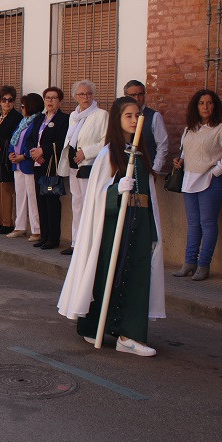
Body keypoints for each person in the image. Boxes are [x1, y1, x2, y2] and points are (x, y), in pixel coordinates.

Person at [58, 97, 165, 357]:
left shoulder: (139, 154)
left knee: (136, 277)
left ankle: (128, 334)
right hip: (113, 228)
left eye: (137, 115)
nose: (134, 119)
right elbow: (97, 196)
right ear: (117, 120)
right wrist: (116, 190)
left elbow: (148, 195)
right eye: (128, 115)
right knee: (107, 273)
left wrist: (151, 230)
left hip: (138, 228)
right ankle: (99, 326)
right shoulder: (108, 154)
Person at [171, 90, 222, 281]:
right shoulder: (190, 128)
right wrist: (180, 161)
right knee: (193, 224)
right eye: (201, 103)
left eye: (209, 103)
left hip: (211, 182)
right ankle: (189, 263)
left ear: (215, 106)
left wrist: (215, 172)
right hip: (189, 181)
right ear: (196, 106)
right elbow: (186, 152)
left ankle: (203, 265)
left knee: (207, 224)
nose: (205, 107)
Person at [56, 80, 108, 255]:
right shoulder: (74, 115)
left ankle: (88, 244)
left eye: (88, 94)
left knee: (88, 204)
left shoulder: (101, 115)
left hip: (89, 165)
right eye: (81, 94)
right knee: (76, 204)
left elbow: (106, 142)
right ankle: (75, 242)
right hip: (73, 164)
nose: (85, 97)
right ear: (75, 97)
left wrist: (86, 152)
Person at [27, 87, 69, 250]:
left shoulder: (63, 119)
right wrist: (33, 152)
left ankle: (53, 238)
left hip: (51, 165)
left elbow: (62, 141)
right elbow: (30, 139)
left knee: (51, 200)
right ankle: (43, 236)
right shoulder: (38, 119)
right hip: (38, 164)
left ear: (60, 101)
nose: (50, 101)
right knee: (40, 199)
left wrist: (43, 150)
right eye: (47, 98)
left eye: (54, 98)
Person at [6, 93, 43, 241]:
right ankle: (20, 226)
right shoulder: (23, 122)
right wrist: (11, 154)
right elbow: (14, 139)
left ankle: (37, 229)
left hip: (28, 163)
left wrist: (24, 155)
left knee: (32, 196)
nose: (21, 108)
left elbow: (34, 141)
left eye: (23, 106)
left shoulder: (37, 121)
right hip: (18, 164)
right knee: (20, 195)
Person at [0, 85, 22, 234]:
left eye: (10, 100)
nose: (7, 103)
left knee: (7, 190)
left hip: (6, 159)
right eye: (4, 100)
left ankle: (8, 223)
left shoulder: (16, 117)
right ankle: (0, 221)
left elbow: (14, 137)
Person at [124, 80, 168, 173]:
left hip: (146, 169)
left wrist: (155, 170)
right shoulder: (121, 117)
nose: (137, 98)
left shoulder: (154, 116)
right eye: (133, 95)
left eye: (140, 94)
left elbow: (162, 146)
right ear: (126, 96)